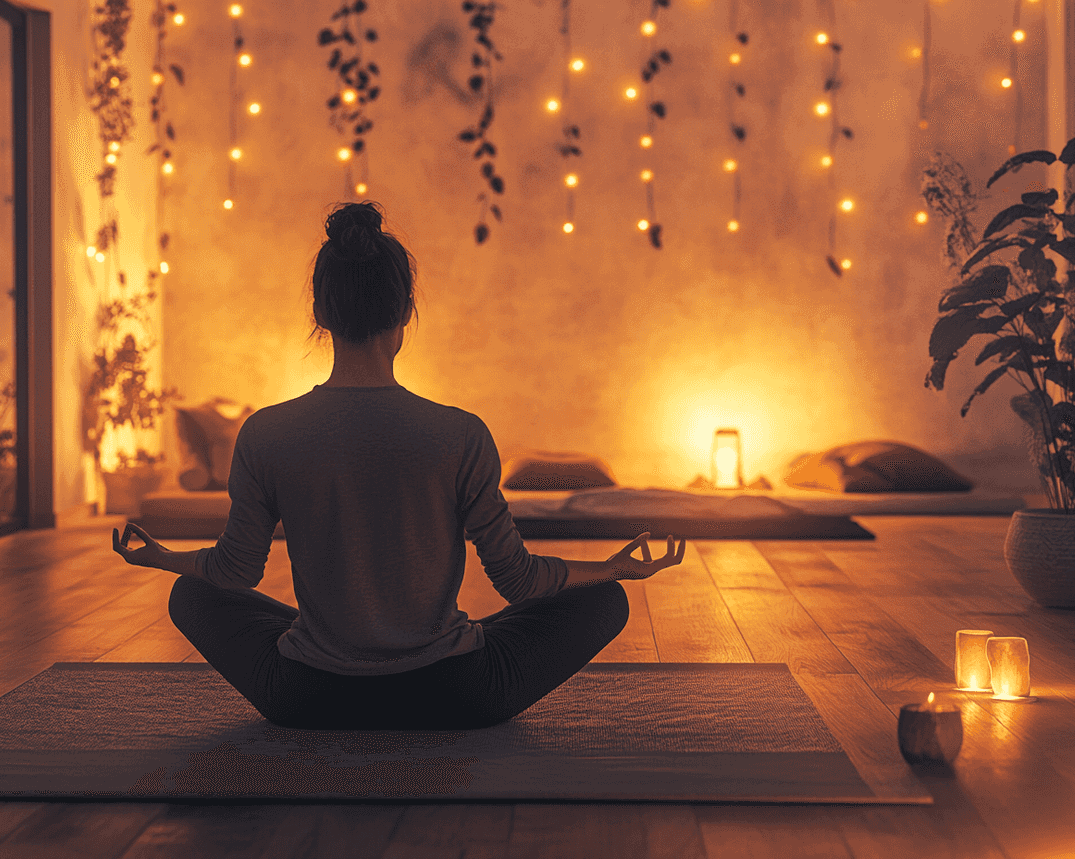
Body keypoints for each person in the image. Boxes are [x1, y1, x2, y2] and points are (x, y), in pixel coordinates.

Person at [111, 200, 686, 731]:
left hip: (308, 696)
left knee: (189, 596)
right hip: (454, 694)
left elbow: (234, 575)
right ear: (406, 311)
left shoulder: (267, 433)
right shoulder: (461, 434)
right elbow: (519, 581)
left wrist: (161, 557)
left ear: (320, 311)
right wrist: (610, 569)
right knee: (607, 601)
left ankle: (325, 654)